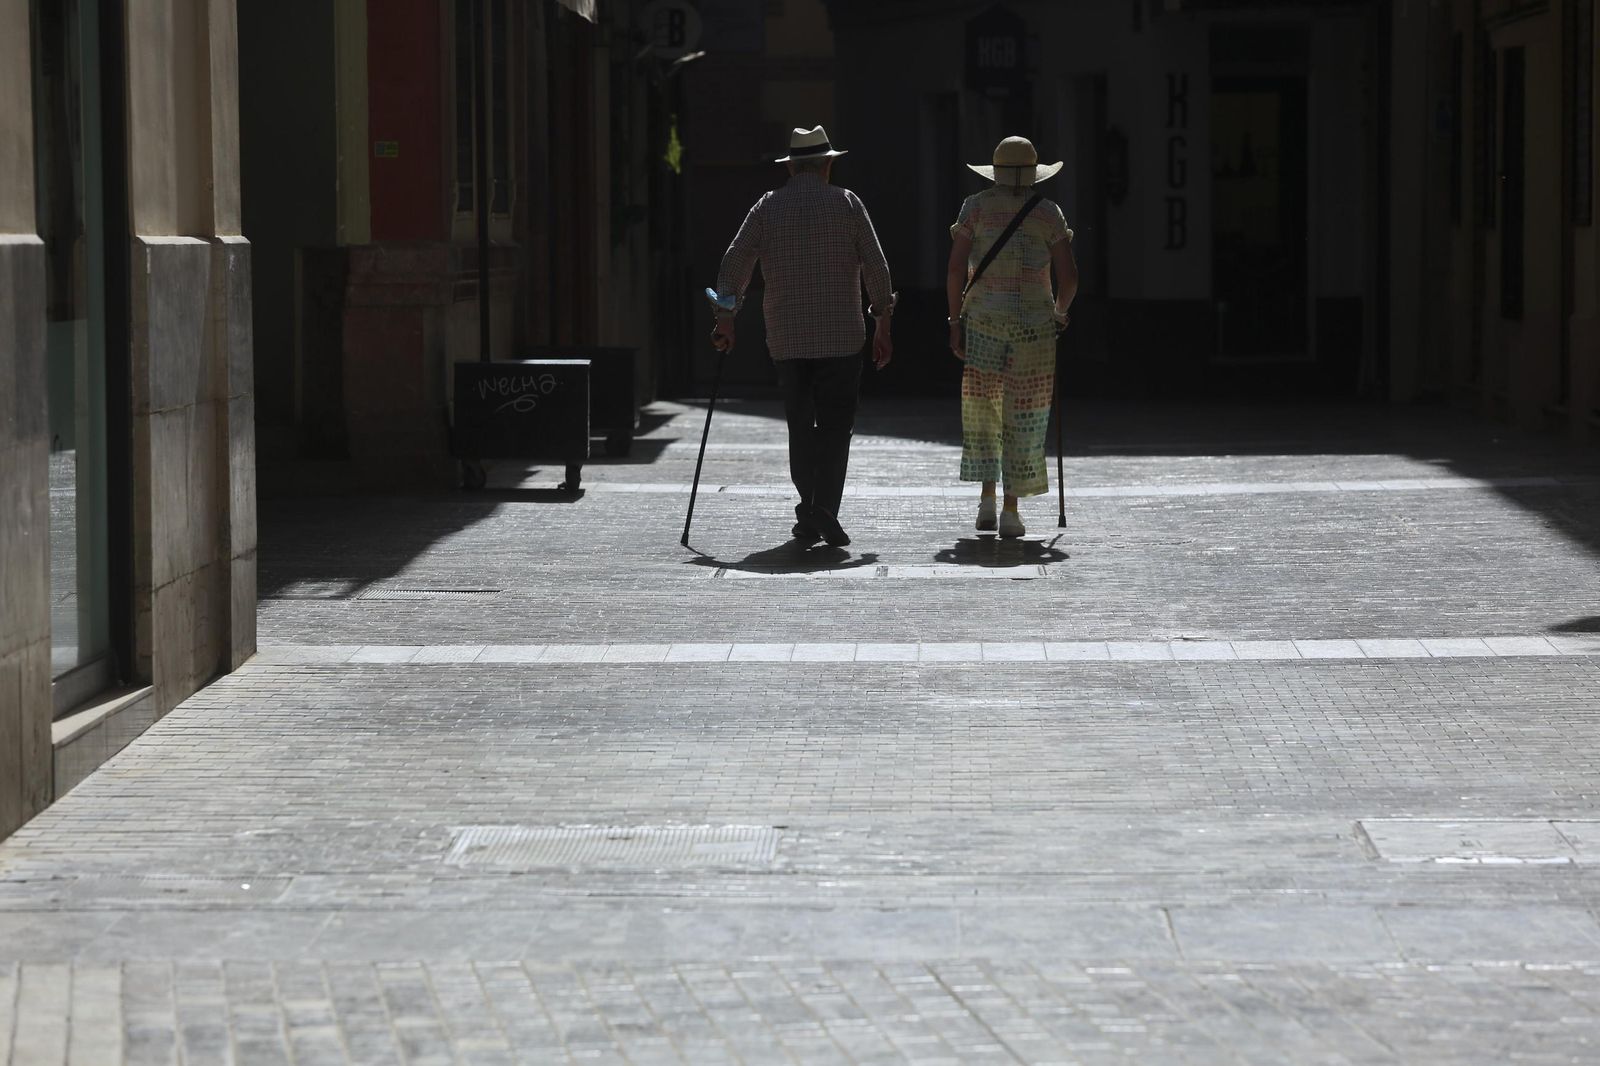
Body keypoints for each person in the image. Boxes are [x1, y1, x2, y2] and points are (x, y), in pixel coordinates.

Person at [711, 125, 895, 548]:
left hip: (788, 339)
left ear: (791, 166)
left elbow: (734, 263)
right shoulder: (848, 203)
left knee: (800, 424)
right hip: (843, 337)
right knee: (835, 426)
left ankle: (810, 510)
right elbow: (875, 265)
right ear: (828, 164)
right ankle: (821, 509)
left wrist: (726, 316)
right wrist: (883, 320)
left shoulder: (767, 207)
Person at [947, 136, 1078, 539]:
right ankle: (1011, 510)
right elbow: (1069, 278)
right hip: (1034, 331)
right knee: (1023, 415)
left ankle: (986, 502)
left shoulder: (975, 208)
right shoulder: (1048, 214)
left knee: (985, 410)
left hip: (984, 324)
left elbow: (955, 271)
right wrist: (1059, 312)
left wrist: (954, 321)